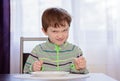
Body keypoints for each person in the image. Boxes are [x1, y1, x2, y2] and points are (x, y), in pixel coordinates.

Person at [23, 7, 89, 74]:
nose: (60, 36)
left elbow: (84, 73)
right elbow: (25, 72)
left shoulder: (76, 51)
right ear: (44, 31)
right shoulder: (37, 50)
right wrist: (33, 68)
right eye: (55, 31)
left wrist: (79, 68)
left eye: (64, 30)